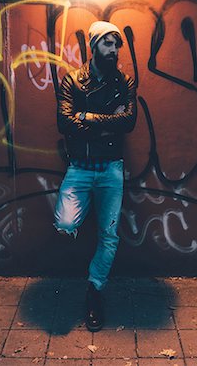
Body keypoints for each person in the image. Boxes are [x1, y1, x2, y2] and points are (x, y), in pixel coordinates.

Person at [53, 21, 137, 332]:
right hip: (80, 167)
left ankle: (94, 290)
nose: (114, 50)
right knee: (65, 223)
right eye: (108, 44)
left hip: (112, 167)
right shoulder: (73, 80)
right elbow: (64, 121)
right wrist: (106, 121)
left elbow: (128, 122)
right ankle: (92, 284)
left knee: (109, 236)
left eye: (117, 45)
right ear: (94, 46)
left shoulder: (124, 81)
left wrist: (87, 116)